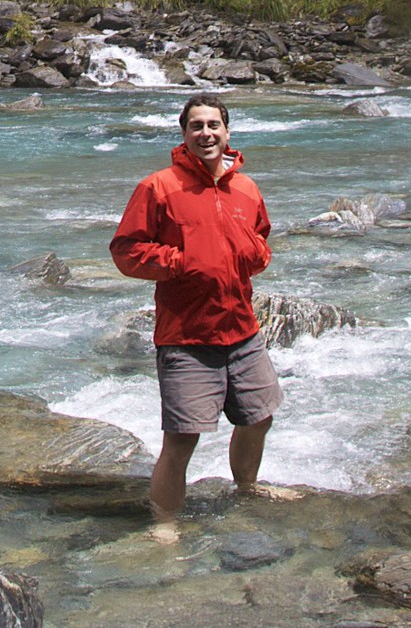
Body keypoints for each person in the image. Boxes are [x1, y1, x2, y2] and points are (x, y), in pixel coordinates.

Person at [111, 94, 292, 541]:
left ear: (228, 133)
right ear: (184, 134)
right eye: (197, 126)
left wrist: (255, 254)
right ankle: (166, 522)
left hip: (243, 331)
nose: (206, 133)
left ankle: (246, 489)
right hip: (186, 337)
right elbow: (126, 251)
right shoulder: (158, 187)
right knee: (182, 438)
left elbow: (261, 239)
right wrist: (181, 261)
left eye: (214, 125)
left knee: (259, 417)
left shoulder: (246, 188)